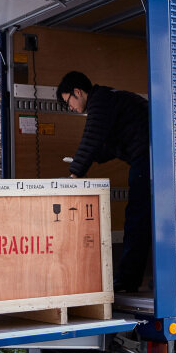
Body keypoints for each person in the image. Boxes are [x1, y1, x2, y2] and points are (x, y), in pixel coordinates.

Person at [57, 71, 151, 292]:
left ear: (77, 92)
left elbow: (92, 136)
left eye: (67, 101)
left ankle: (127, 281)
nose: (69, 107)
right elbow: (105, 145)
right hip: (154, 156)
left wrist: (75, 175)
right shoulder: (110, 100)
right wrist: (86, 159)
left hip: (150, 158)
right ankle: (148, 278)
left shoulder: (101, 101)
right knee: (150, 219)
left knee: (137, 218)